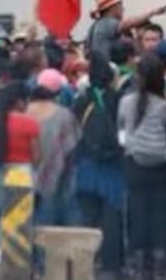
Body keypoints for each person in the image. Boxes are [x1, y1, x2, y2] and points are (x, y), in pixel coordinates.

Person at [118, 54, 166, 278]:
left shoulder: (126, 102)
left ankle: (137, 263)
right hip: (161, 166)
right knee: (160, 213)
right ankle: (159, 261)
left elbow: (122, 132)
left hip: (135, 163)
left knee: (137, 212)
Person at [72, 59, 126, 273]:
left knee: (87, 218)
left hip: (86, 166)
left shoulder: (81, 100)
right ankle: (112, 266)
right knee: (112, 219)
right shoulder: (119, 99)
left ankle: (85, 264)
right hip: (113, 169)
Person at [0, 82, 41, 264]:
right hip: (21, 172)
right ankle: (18, 263)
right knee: (20, 221)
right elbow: (37, 155)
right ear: (18, 102)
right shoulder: (29, 123)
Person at [29, 68, 80, 228]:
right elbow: (71, 147)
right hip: (56, 178)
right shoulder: (64, 115)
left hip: (24, 177)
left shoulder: (23, 112)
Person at [85, 0, 166, 67]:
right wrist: (153, 12)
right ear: (113, 7)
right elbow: (127, 23)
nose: (123, 9)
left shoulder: (97, 25)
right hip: (105, 70)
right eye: (120, 5)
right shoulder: (107, 23)